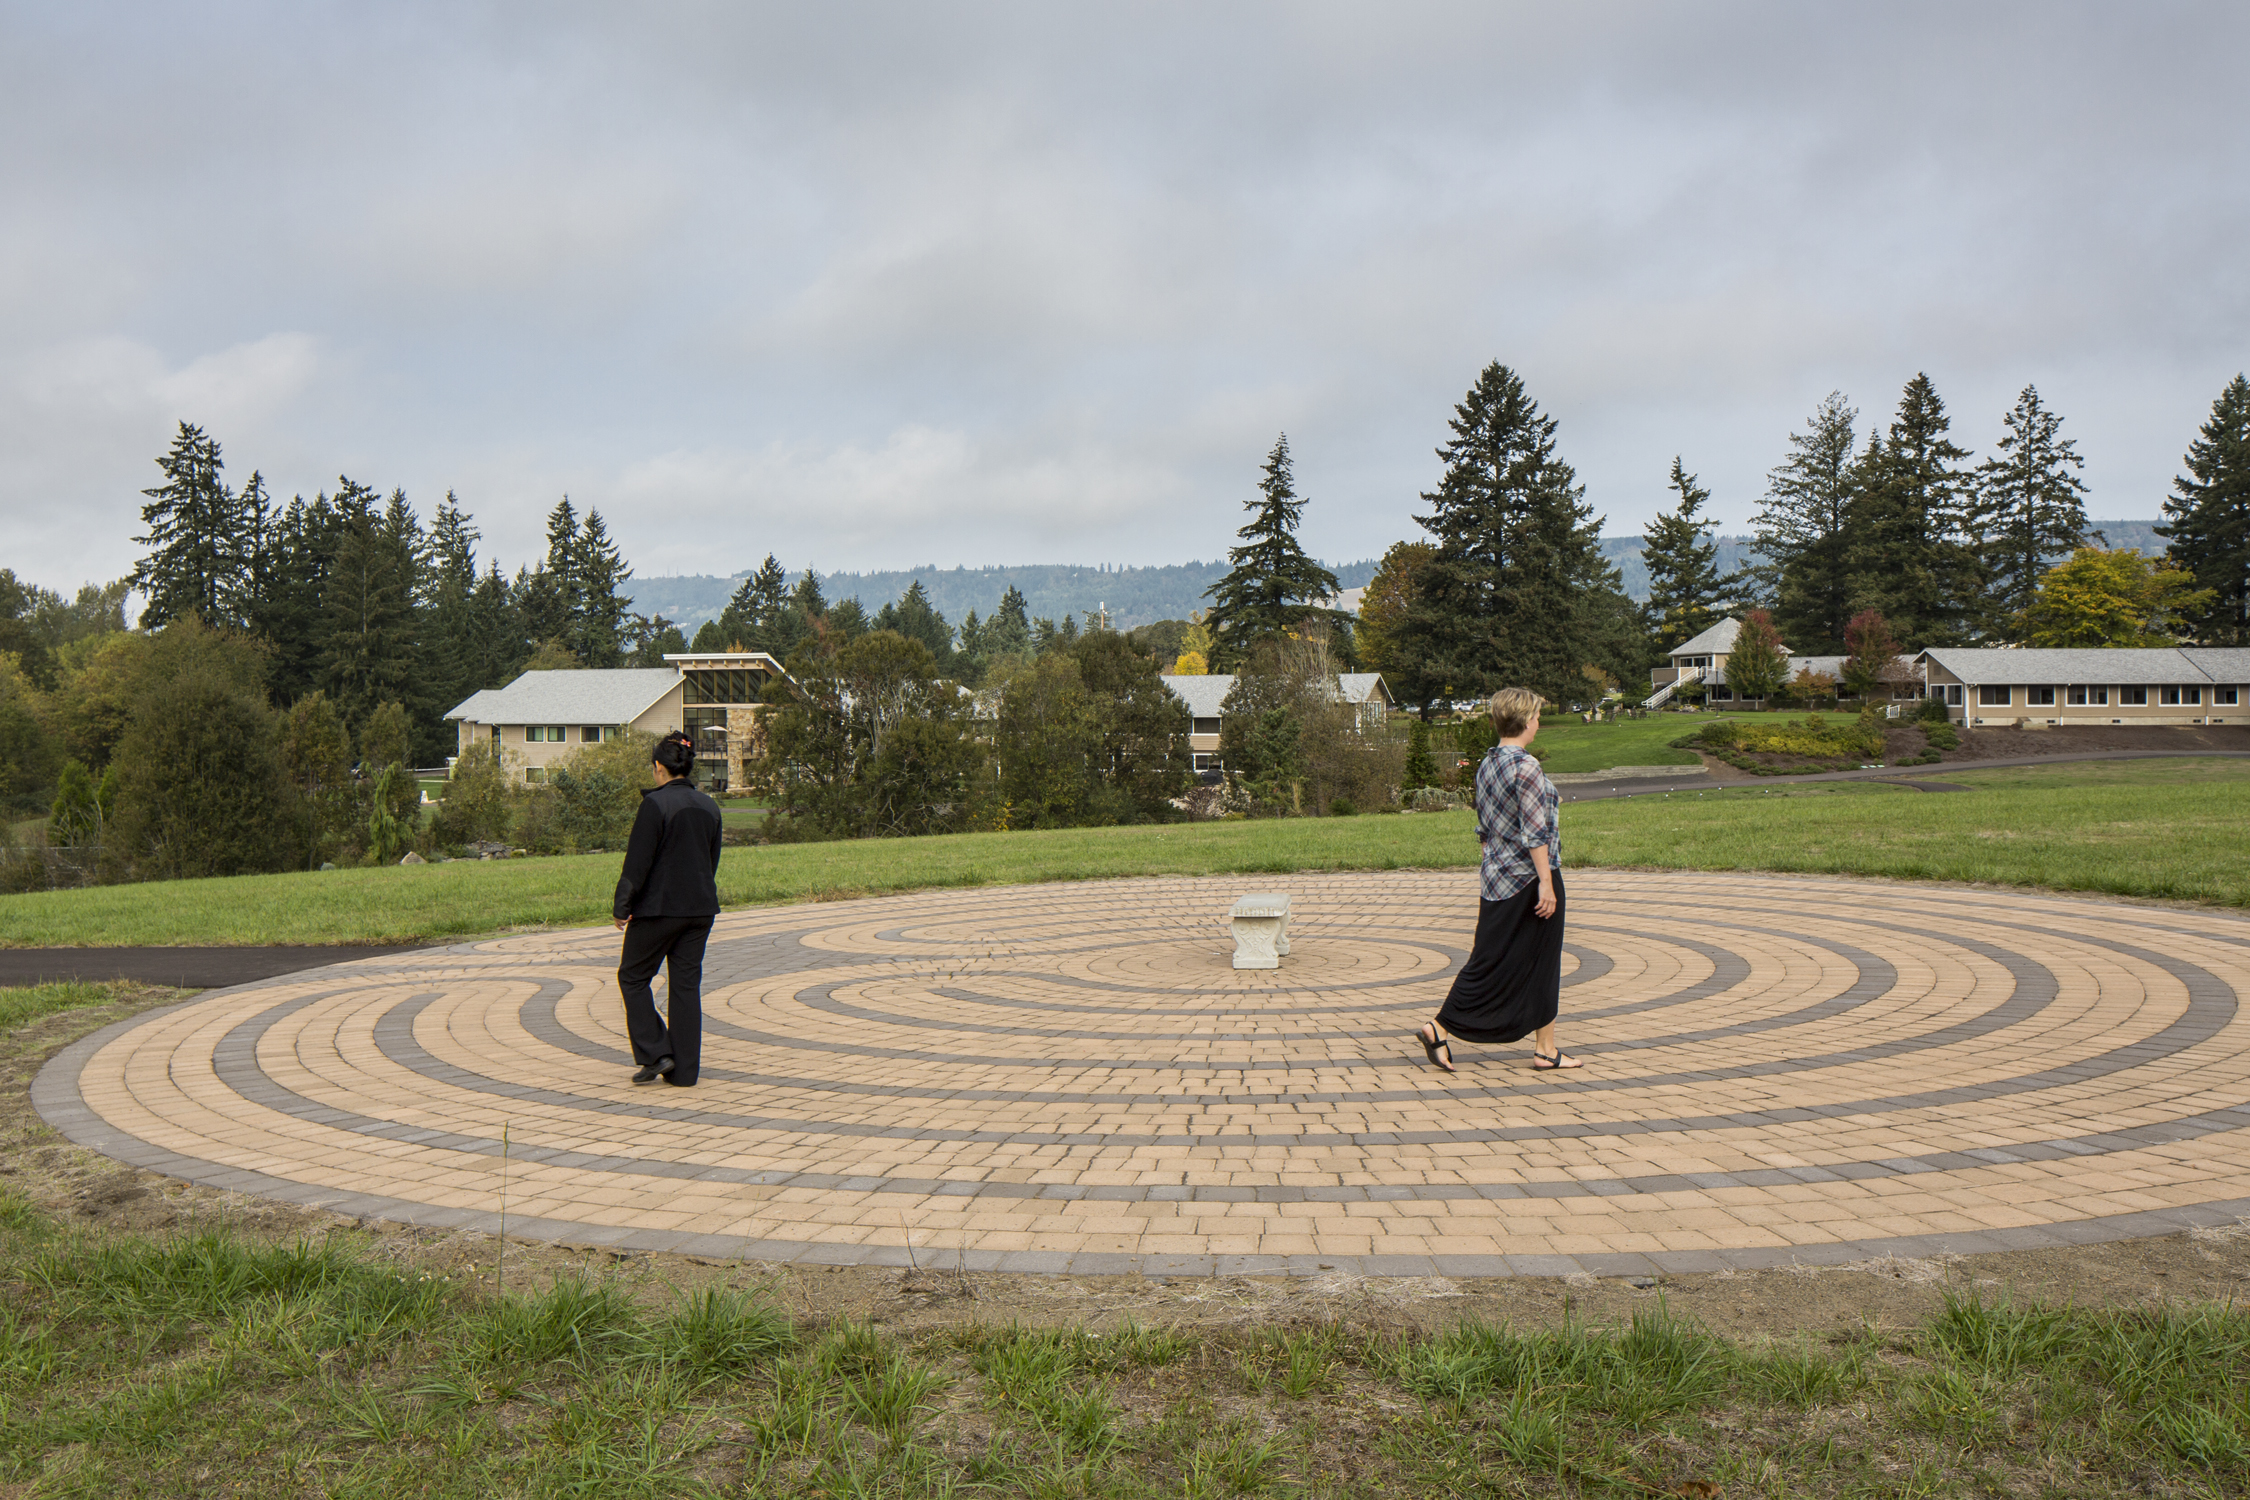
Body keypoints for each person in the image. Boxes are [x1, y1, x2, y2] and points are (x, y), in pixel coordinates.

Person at [1415, 687, 1582, 1073]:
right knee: (1507, 961)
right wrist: (1546, 882)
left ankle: (1546, 1048)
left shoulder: (1488, 763)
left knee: (1507, 958)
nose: (1539, 722)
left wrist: (1493, 862)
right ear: (1526, 721)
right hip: (1529, 879)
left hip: (1496, 875)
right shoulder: (1526, 767)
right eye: (1537, 716)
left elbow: (1486, 826)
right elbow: (1535, 832)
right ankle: (1438, 1027)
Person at [613, 730, 724, 1086]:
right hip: (700, 909)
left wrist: (622, 905)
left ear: (659, 766)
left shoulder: (655, 805)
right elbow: (712, 860)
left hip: (659, 910)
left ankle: (657, 1052)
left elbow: (637, 863)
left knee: (632, 977)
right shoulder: (710, 806)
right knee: (685, 987)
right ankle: (685, 1073)